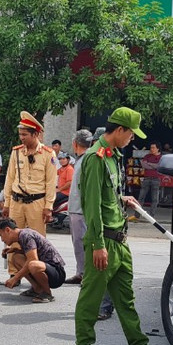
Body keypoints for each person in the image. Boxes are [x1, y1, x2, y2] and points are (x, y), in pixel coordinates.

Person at [74, 107, 173, 345]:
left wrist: (122, 198)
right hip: (104, 242)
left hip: (120, 241)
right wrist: (97, 245)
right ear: (119, 130)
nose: (133, 139)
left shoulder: (113, 156)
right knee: (91, 300)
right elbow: (92, 205)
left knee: (126, 301)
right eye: (131, 133)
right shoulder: (95, 159)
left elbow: (107, 195)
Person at [66, 130, 117, 320]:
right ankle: (82, 276)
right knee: (87, 257)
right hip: (79, 211)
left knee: (98, 263)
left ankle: (104, 304)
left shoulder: (98, 158)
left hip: (88, 214)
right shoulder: (89, 158)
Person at [1, 111, 58, 235]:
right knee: (13, 242)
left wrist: (48, 207)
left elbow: (51, 182)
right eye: (20, 134)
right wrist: (7, 203)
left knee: (38, 242)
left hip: (37, 204)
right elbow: (10, 178)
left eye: (25, 134)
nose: (21, 138)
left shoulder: (48, 154)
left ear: (35, 134)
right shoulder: (16, 152)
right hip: (16, 203)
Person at [0, 218, 66, 303]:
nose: (2, 240)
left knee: (33, 265)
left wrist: (15, 278)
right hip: (45, 268)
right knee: (16, 257)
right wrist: (16, 250)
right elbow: (34, 252)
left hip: (57, 273)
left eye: (1, 235)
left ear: (8, 230)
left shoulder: (26, 235)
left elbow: (33, 259)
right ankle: (37, 289)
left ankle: (47, 293)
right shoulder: (22, 235)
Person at [138, 143, 163, 218]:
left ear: (158, 149)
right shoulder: (147, 156)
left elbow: (159, 166)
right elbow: (144, 165)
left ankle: (151, 215)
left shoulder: (161, 157)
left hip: (156, 179)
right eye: (151, 147)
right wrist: (154, 165)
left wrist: (149, 164)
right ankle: (137, 215)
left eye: (153, 148)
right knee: (141, 197)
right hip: (146, 178)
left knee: (154, 199)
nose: (151, 149)